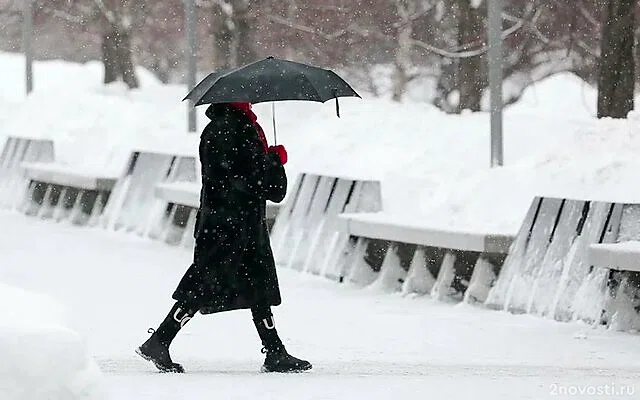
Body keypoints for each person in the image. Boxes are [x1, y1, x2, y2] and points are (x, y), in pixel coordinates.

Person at [136, 102, 312, 373]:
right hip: (234, 225)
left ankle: (275, 351)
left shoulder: (217, 129)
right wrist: (274, 162)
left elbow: (236, 177)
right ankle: (160, 339)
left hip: (224, 222)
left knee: (254, 286)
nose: (251, 102)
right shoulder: (239, 130)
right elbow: (261, 185)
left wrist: (267, 160)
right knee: (207, 284)